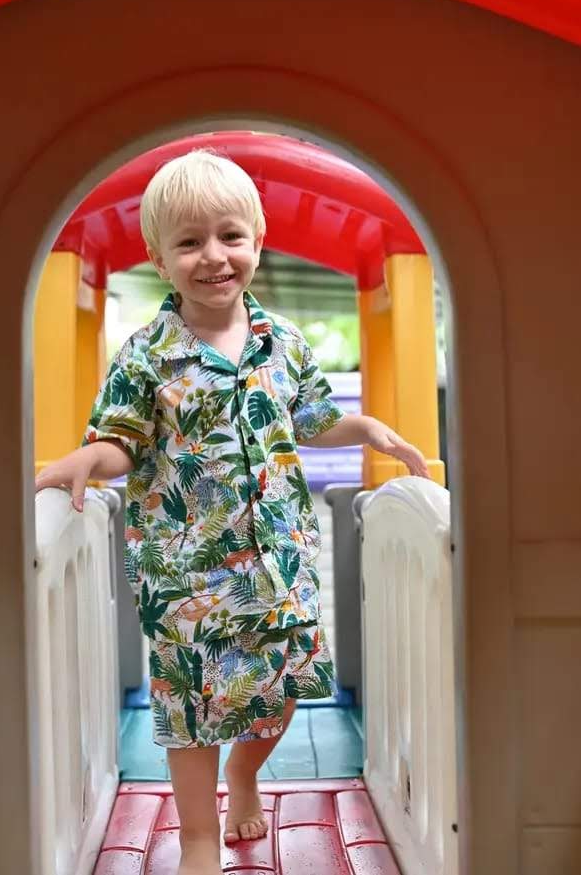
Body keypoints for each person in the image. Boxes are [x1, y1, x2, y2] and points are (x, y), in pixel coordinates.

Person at [35, 149, 429, 875]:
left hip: (279, 564)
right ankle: (197, 835)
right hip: (186, 576)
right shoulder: (146, 356)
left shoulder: (284, 343)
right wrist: (91, 458)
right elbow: (123, 440)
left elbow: (309, 419)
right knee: (192, 714)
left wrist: (368, 428)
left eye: (230, 236)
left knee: (284, 687)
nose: (213, 256)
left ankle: (244, 774)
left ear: (258, 239)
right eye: (189, 242)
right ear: (159, 258)